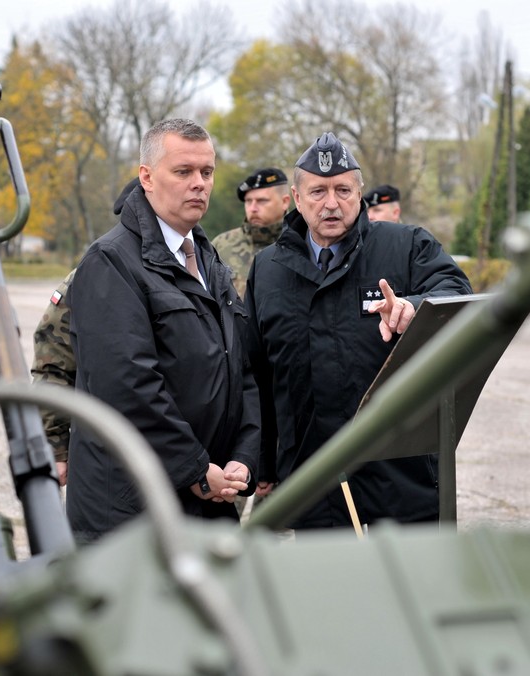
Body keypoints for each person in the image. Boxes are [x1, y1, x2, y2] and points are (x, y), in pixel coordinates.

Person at [244, 132, 472, 530]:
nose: (332, 203)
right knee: (333, 590)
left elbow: (457, 296)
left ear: (360, 195)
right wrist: (263, 462)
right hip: (312, 480)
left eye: (343, 190)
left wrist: (413, 308)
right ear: (296, 199)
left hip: (402, 478)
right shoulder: (269, 270)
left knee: (410, 590)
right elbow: (258, 373)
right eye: (318, 191)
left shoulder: (405, 246)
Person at [66, 119, 259, 542]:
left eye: (207, 173)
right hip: (133, 509)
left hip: (206, 497)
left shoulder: (208, 260)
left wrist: (243, 456)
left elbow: (240, 369)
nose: (199, 184)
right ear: (147, 177)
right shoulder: (111, 263)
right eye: (183, 171)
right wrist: (192, 465)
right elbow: (126, 387)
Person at [30, 178, 139, 487]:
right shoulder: (87, 276)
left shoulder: (193, 268)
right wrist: (57, 446)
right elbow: (53, 363)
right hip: (105, 451)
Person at [212, 167, 292, 297]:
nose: (253, 208)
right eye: (248, 201)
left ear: (284, 202)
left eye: (262, 201)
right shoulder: (221, 245)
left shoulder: (304, 242)